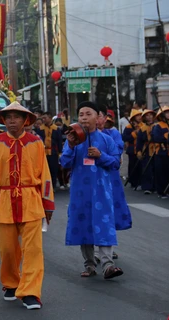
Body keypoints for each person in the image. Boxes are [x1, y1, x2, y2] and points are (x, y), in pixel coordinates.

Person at [0, 102, 54, 310]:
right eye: (8, 117)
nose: (12, 121)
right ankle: (11, 283)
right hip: (4, 199)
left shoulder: (35, 142)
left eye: (17, 117)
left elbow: (45, 175)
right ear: (3, 120)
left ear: (25, 120)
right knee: (8, 249)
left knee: (33, 250)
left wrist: (48, 203)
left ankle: (30, 291)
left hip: (31, 199)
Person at [60, 101, 124, 280]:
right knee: (84, 226)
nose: (84, 118)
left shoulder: (106, 139)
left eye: (88, 114)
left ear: (98, 118)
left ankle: (108, 264)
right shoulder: (73, 139)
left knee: (104, 225)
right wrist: (71, 147)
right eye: (81, 114)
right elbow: (64, 163)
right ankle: (89, 264)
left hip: (101, 191)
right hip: (80, 193)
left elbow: (115, 164)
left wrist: (100, 156)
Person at [98, 105, 132, 261]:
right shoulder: (82, 135)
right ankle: (94, 252)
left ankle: (107, 247)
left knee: (109, 212)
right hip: (90, 181)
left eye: (99, 116)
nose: (96, 119)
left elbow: (116, 154)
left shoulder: (113, 134)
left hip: (110, 177)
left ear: (105, 118)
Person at [35, 112, 63, 189]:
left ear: (50, 118)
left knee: (53, 170)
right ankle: (45, 187)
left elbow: (59, 142)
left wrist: (60, 153)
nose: (43, 120)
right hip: (43, 153)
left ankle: (52, 187)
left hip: (53, 153)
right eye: (43, 118)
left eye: (45, 118)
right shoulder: (40, 129)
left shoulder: (56, 129)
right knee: (44, 171)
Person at [136, 109, 156, 194]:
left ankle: (156, 186)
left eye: (151, 115)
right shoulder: (142, 128)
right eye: (147, 115)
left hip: (156, 149)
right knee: (146, 168)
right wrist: (139, 151)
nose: (149, 117)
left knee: (157, 169)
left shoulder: (157, 126)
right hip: (146, 149)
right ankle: (147, 186)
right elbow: (139, 141)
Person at [151, 106, 169, 199]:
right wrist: (167, 138)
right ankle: (161, 191)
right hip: (161, 152)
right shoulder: (157, 126)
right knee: (161, 172)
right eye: (166, 112)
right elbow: (156, 138)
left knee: (168, 172)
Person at [122, 109, 143, 189]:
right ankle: (133, 182)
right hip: (131, 148)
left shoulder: (142, 125)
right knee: (132, 166)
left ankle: (141, 182)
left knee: (141, 166)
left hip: (141, 148)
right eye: (137, 116)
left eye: (140, 115)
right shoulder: (128, 127)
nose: (139, 117)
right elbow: (124, 137)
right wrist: (134, 134)